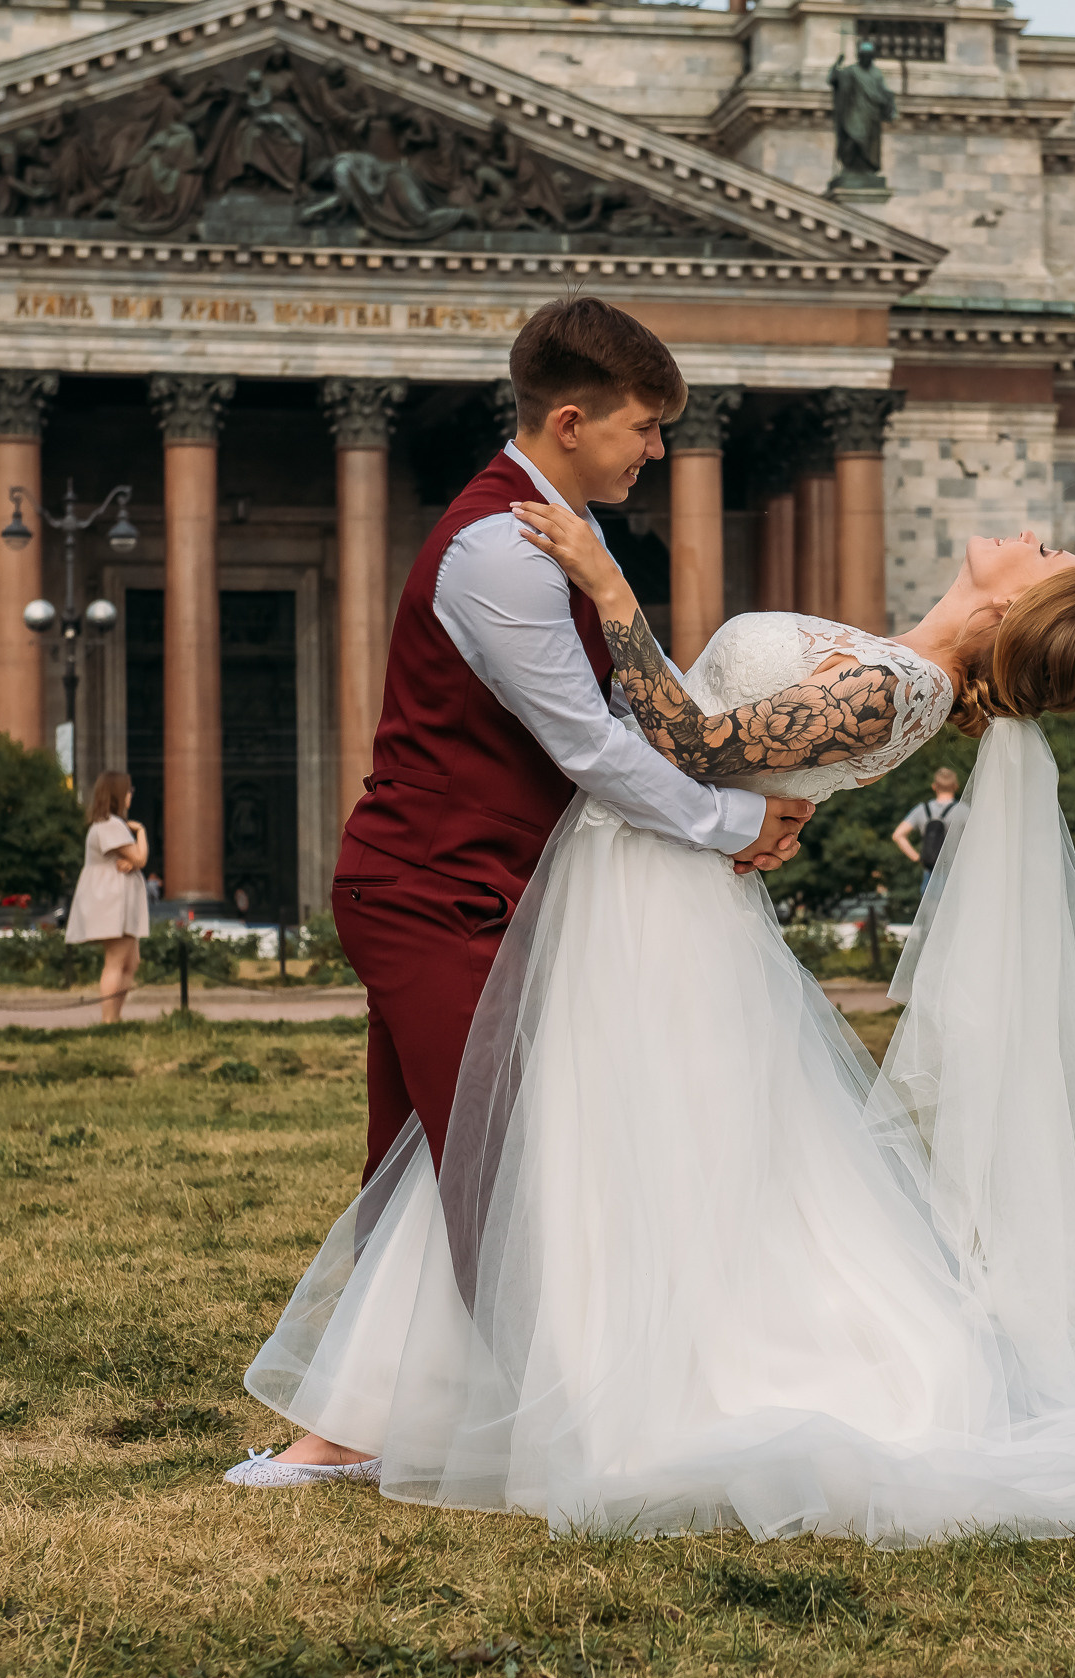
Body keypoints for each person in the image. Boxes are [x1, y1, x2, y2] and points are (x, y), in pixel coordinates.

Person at [233, 495, 1075, 1547]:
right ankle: (379, 1414)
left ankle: (439, 1413)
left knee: (576, 1141)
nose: (1027, 532)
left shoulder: (900, 686)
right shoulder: (896, 670)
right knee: (562, 1140)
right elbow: (728, 763)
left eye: (1042, 550)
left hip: (656, 907)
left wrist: (605, 588)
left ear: (1017, 606)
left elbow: (690, 740)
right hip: (644, 882)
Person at [233, 299, 810, 1486]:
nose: (655, 451)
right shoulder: (499, 548)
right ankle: (578, 1427)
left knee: (419, 1160)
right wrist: (732, 824)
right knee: (502, 1162)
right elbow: (585, 745)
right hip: (429, 890)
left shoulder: (544, 532)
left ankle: (356, 1427)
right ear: (568, 421)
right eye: (644, 429)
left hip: (466, 885)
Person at [65, 771, 148, 1025]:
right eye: (128, 790)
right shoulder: (111, 825)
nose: (130, 794)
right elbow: (140, 858)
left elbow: (130, 860)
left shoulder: (107, 825)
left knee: (130, 962)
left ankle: (114, 1018)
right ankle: (109, 1021)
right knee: (115, 962)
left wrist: (131, 862)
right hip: (112, 902)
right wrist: (141, 831)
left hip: (114, 899)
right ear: (117, 794)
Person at [891, 766, 961, 917]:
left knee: (931, 923)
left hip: (930, 872)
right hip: (956, 873)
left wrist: (918, 858)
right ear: (955, 786)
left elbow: (898, 835)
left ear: (934, 786)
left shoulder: (922, 810)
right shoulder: (962, 811)